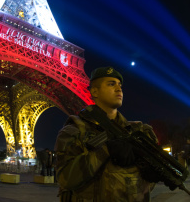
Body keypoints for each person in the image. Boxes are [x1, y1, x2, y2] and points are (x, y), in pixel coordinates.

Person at [54, 67, 158, 201]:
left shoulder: (140, 131)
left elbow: (146, 186)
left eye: (120, 85)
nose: (118, 88)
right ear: (95, 92)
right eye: (111, 84)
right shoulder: (74, 130)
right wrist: (105, 150)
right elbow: (66, 179)